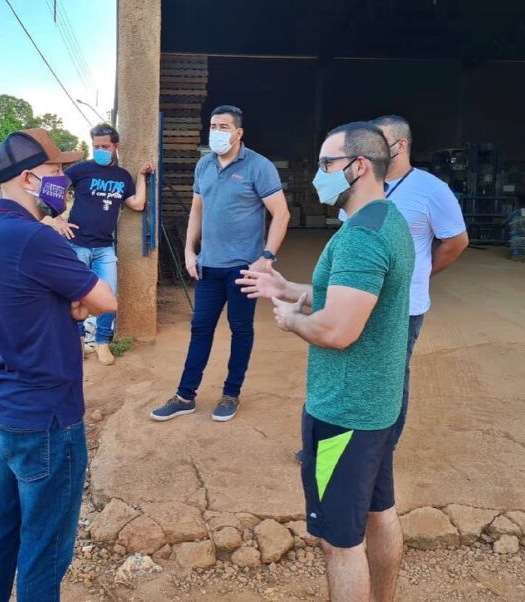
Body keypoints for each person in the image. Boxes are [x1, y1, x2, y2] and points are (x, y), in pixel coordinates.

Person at [237, 122, 414, 602]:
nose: (319, 174)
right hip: (377, 407)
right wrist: (287, 287)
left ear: (359, 166)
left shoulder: (360, 238)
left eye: (326, 164)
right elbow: (351, 297)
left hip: (344, 413)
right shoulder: (387, 219)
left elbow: (337, 330)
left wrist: (291, 319)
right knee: (379, 513)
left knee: (340, 542)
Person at [0, 128, 117, 602]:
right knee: (44, 549)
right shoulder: (36, 239)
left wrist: (71, 304)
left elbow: (30, 302)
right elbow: (106, 299)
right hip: (46, 417)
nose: (64, 181)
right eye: (56, 171)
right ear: (29, 178)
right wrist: (76, 304)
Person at [150, 105, 290, 422]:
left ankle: (231, 394)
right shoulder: (204, 165)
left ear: (238, 133)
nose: (216, 132)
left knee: (240, 330)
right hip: (208, 267)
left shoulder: (259, 166)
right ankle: (185, 396)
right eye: (213, 126)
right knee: (200, 328)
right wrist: (189, 252)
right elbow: (196, 210)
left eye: (223, 127)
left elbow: (281, 214)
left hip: (244, 269)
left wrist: (267, 257)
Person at [339, 115, 468, 446]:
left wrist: (419, 272)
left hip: (402, 305)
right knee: (349, 369)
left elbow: (455, 242)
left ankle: (383, 445)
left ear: (401, 145)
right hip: (356, 297)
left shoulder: (431, 190)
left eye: (379, 142)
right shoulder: (359, 184)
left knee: (390, 375)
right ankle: (343, 438)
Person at [45, 123, 154, 366]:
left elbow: (137, 204)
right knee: (75, 295)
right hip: (77, 245)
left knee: (108, 296)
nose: (100, 150)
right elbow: (51, 188)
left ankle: (102, 342)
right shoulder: (80, 170)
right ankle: (78, 342)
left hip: (104, 248)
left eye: (105, 146)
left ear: (116, 146)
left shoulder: (122, 176)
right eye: (96, 146)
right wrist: (57, 219)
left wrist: (140, 176)